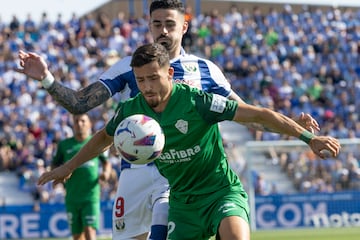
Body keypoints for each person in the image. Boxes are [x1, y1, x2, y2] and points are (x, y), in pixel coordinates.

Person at [17, 1, 319, 239]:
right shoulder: (129, 67)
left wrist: (291, 125)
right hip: (134, 170)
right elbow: (79, 104)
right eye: (156, 24)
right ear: (149, 25)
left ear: (184, 26)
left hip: (180, 174)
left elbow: (247, 115)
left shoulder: (205, 70)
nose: (162, 30)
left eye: (169, 24)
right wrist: (46, 78)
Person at [52, 113, 112, 240]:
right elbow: (55, 163)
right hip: (72, 196)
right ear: (72, 124)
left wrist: (106, 173)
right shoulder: (64, 145)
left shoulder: (94, 143)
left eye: (83, 121)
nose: (80, 124)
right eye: (76, 121)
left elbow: (106, 162)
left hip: (90, 196)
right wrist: (58, 178)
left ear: (89, 123)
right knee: (77, 236)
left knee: (90, 231)